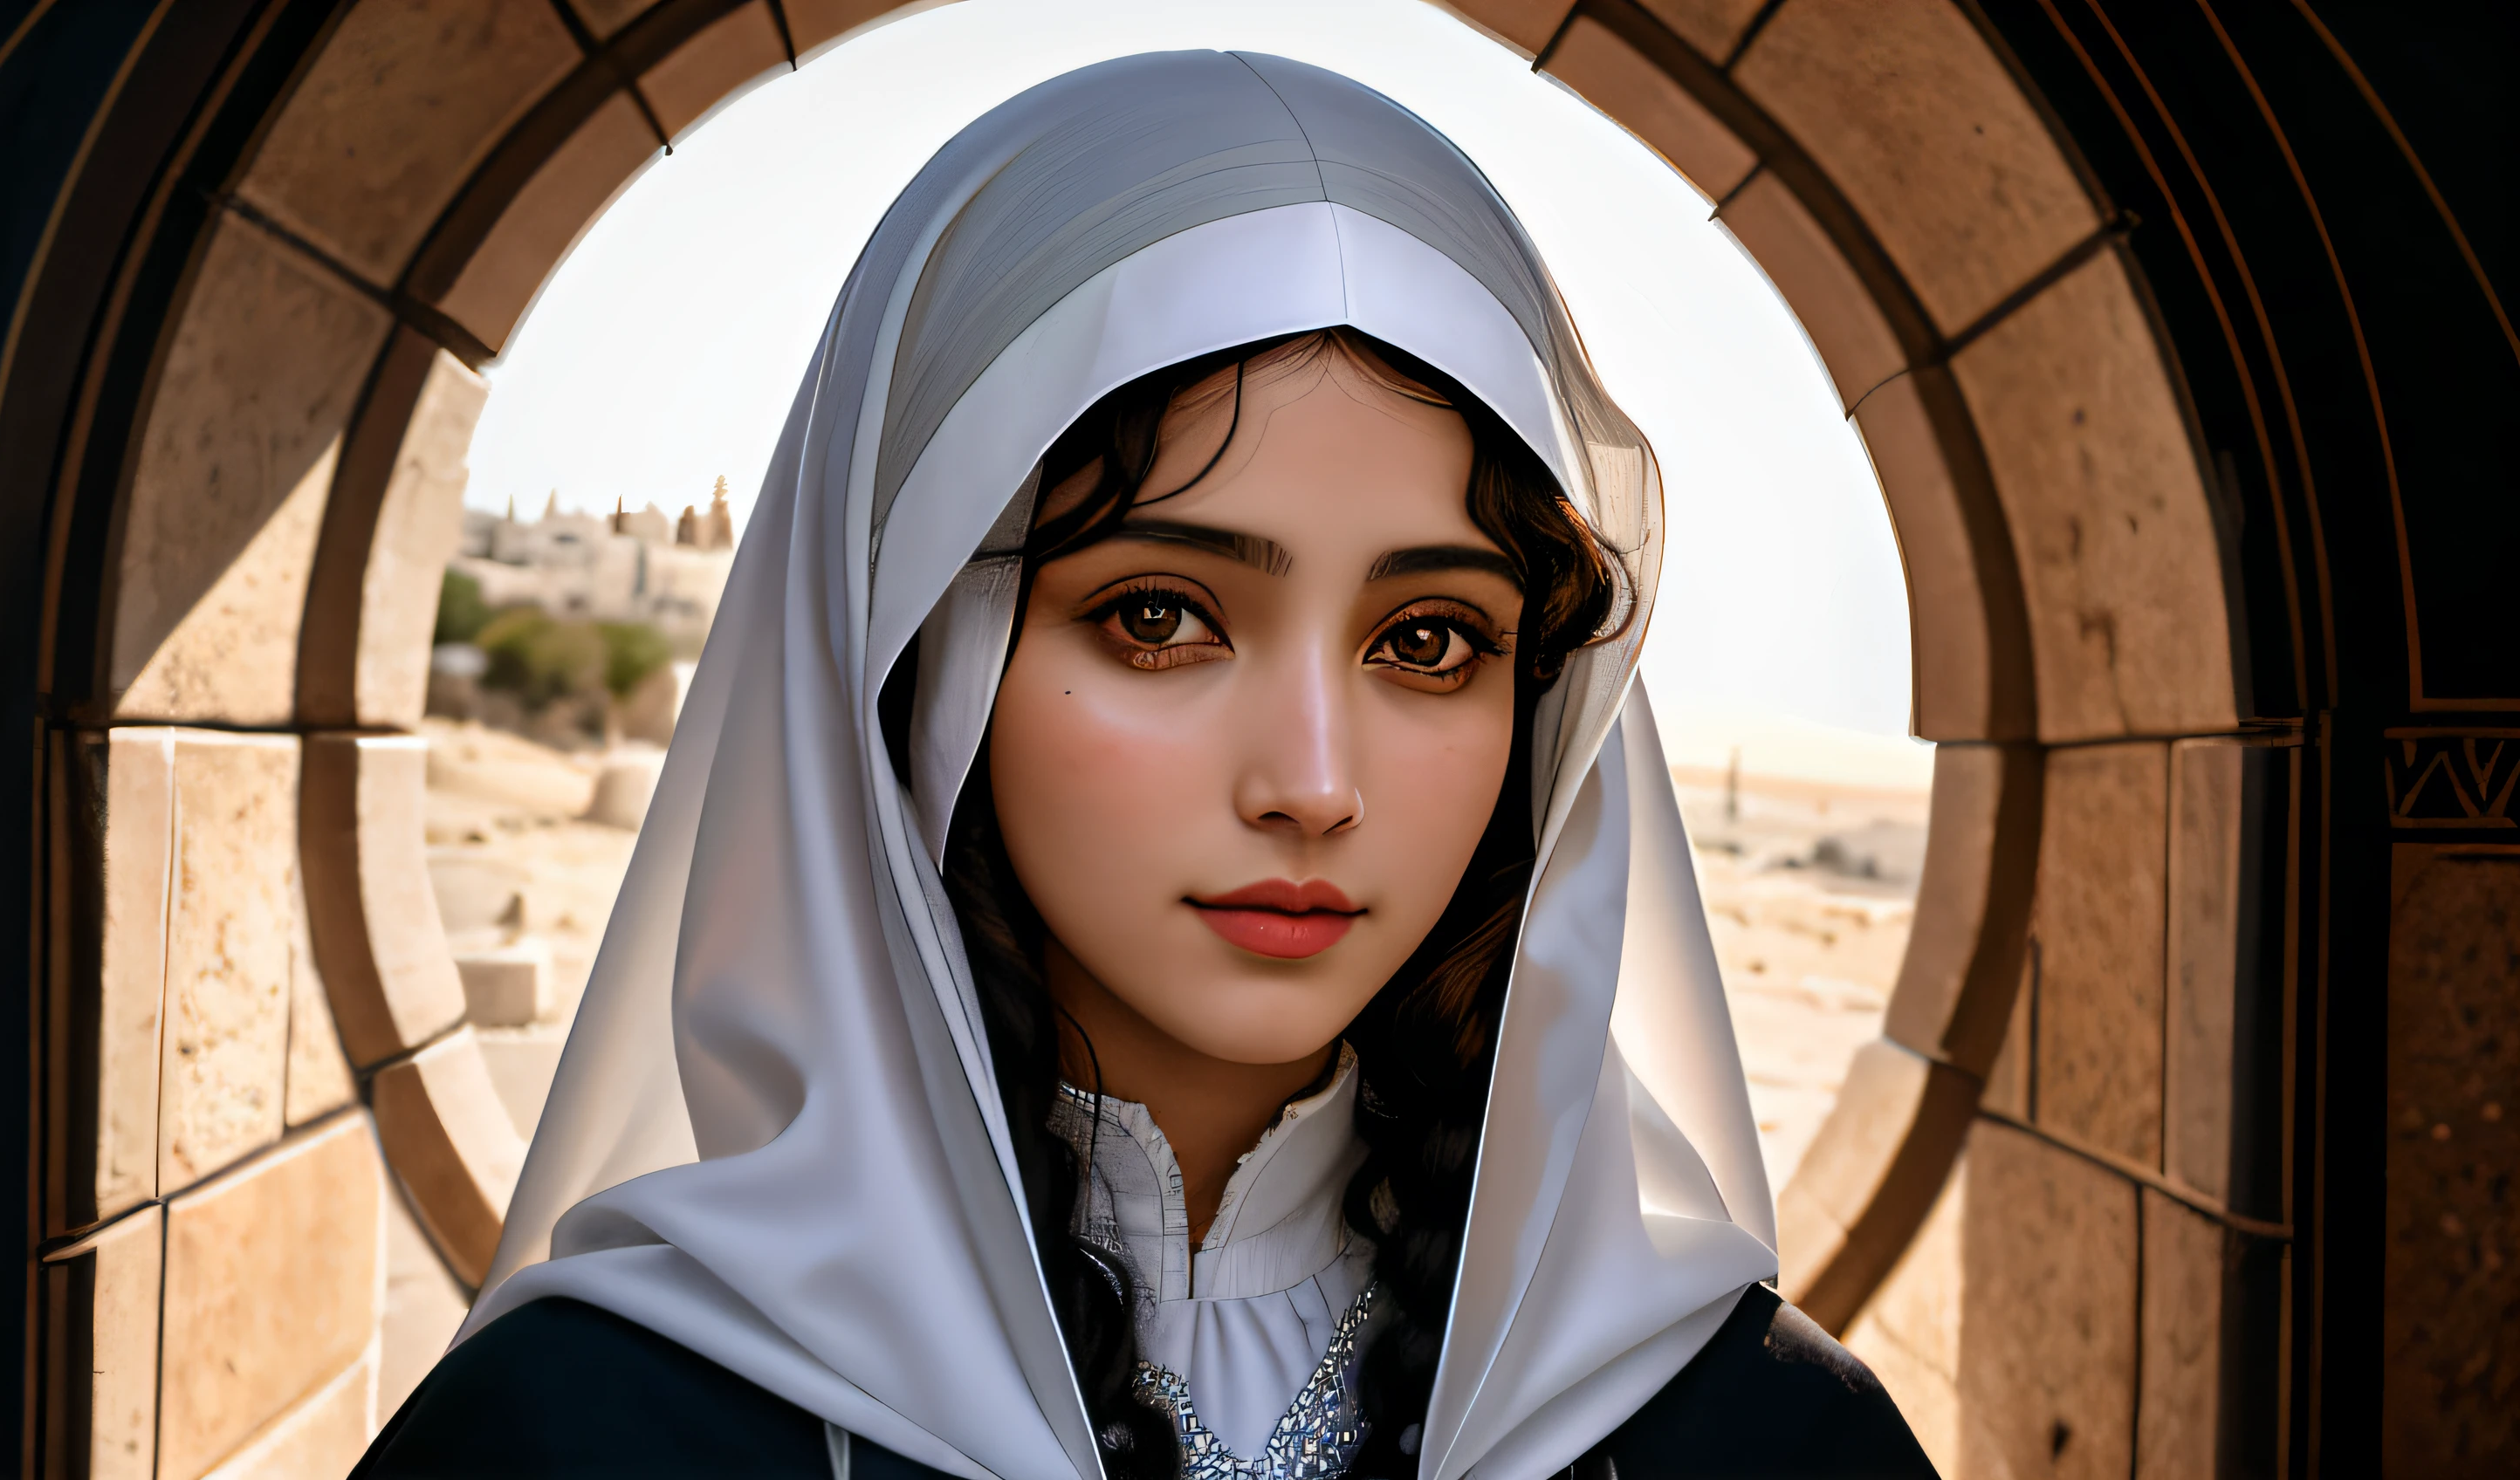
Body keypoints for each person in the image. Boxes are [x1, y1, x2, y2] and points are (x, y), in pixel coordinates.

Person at [355, 51, 1933, 1480]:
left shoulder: (1765, 1446)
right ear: (930, 663)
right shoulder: (581, 1441)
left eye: (1430, 640)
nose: (1314, 784)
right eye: (1162, 615)